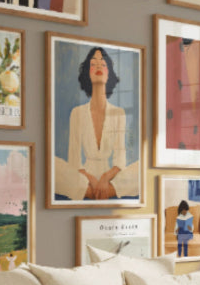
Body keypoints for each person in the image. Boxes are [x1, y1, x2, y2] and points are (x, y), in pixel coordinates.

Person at [53, 46, 139, 201]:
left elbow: (120, 161)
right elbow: (74, 162)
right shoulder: (77, 112)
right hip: (83, 178)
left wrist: (106, 179)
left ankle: (109, 190)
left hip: (112, 178)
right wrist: (91, 180)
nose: (99, 66)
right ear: (88, 72)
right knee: (51, 164)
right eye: (93, 64)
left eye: (103, 64)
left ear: (109, 73)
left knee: (142, 168)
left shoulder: (119, 112)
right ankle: (89, 190)